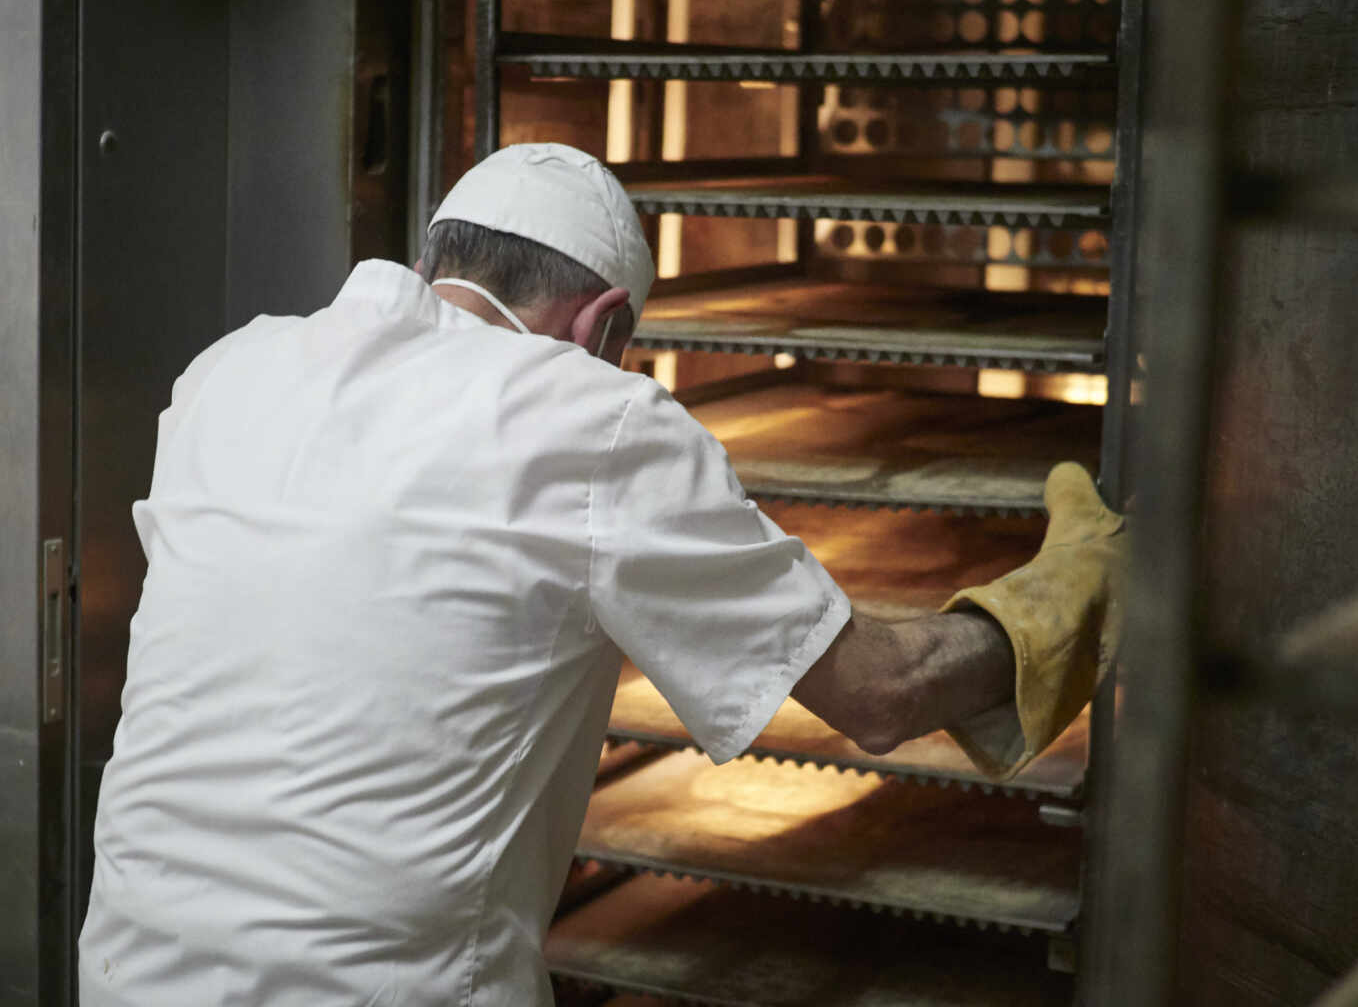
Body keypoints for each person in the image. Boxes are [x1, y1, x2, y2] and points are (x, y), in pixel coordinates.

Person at [77, 143, 1125, 1006]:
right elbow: (879, 693)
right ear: (604, 323)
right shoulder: (589, 417)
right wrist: (1064, 599)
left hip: (128, 973)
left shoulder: (230, 374)